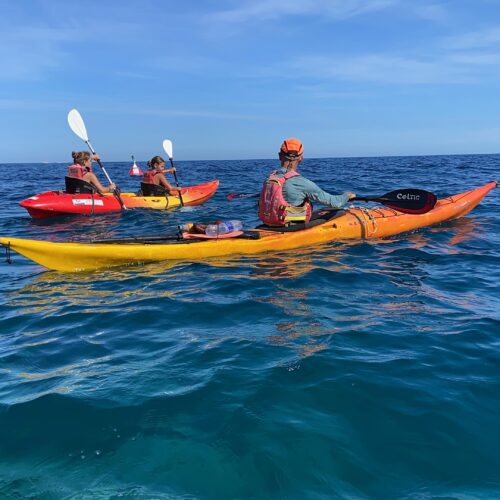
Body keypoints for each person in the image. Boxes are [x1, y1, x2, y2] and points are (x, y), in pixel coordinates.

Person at [258, 138, 356, 226]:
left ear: (279, 156)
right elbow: (335, 202)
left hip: (268, 223)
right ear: (301, 158)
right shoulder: (301, 182)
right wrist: (347, 196)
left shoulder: (269, 178)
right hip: (290, 226)